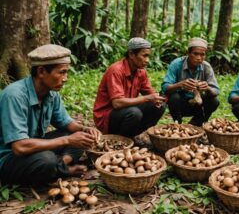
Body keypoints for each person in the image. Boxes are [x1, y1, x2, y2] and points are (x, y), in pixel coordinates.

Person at [0, 44, 101, 186]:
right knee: (47, 159)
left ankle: (58, 167)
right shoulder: (15, 96)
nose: (65, 78)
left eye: (66, 73)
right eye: (61, 72)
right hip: (8, 157)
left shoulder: (51, 94)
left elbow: (66, 123)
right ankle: (60, 168)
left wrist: (85, 130)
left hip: (34, 145)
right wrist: (67, 140)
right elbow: (20, 147)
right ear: (41, 71)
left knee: (81, 138)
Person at [93, 38, 166, 144]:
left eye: (148, 56)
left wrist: (158, 99)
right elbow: (117, 103)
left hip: (127, 110)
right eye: (144, 55)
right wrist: (147, 98)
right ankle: (120, 139)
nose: (147, 60)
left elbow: (150, 93)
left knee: (159, 106)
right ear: (131, 54)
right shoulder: (116, 70)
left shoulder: (141, 72)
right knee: (134, 113)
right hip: (107, 116)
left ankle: (131, 136)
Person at [161, 37, 219, 126]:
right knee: (174, 97)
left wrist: (207, 88)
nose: (199, 58)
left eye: (202, 54)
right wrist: (181, 84)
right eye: (195, 54)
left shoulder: (206, 67)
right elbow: (165, 87)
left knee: (214, 101)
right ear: (188, 53)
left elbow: (216, 91)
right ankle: (178, 124)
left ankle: (197, 123)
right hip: (180, 103)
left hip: (197, 103)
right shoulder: (176, 64)